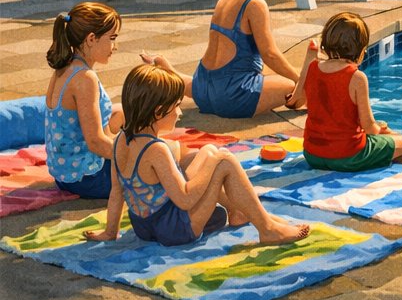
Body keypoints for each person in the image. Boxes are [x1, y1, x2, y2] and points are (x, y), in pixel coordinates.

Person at [86, 64, 310, 247]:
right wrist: (212, 168)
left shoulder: (120, 141)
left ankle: (237, 211)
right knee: (222, 159)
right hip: (174, 228)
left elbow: (117, 191)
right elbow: (184, 199)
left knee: (208, 151)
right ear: (157, 111)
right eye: (176, 106)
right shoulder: (156, 149)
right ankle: (267, 229)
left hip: (145, 226)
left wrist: (110, 231)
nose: (180, 113)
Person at [190, 0, 303, 118]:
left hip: (202, 88)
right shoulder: (255, 3)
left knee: (265, 74)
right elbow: (270, 54)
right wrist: (300, 81)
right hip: (231, 96)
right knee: (292, 88)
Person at [286, 12, 402, 171]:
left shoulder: (312, 68)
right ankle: (400, 188)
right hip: (348, 156)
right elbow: (368, 126)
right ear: (361, 51)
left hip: (312, 154)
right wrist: (383, 131)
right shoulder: (357, 78)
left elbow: (302, 101)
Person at [44, 2, 125, 198]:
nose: (115, 46)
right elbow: (95, 142)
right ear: (91, 39)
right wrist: (132, 156)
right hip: (87, 178)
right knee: (161, 158)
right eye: (112, 38)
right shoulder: (85, 78)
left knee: (123, 111)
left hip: (65, 173)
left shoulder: (66, 65)